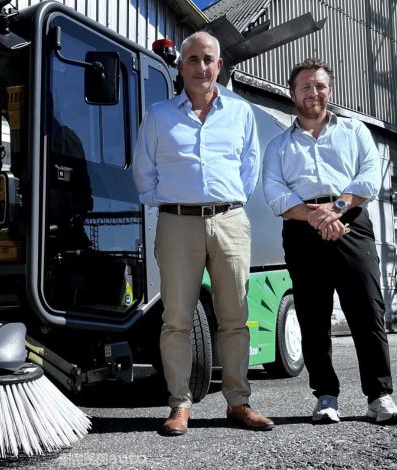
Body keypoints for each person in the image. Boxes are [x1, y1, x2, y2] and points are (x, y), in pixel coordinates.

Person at [133, 31, 273, 435]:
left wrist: (224, 202)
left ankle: (239, 403)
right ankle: (179, 405)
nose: (201, 67)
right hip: (177, 223)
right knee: (176, 317)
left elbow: (250, 169)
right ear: (181, 66)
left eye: (208, 59)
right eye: (193, 59)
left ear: (219, 66)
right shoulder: (159, 115)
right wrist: (172, 200)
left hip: (229, 221)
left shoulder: (240, 112)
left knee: (235, 317)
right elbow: (144, 171)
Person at [262, 58, 397, 425]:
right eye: (306, 86)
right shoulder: (279, 145)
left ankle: (379, 396)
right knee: (312, 316)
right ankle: (326, 396)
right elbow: (274, 192)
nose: (313, 92)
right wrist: (314, 215)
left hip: (351, 224)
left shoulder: (354, 130)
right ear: (292, 93)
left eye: (320, 85)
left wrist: (337, 208)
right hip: (302, 229)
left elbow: (370, 175)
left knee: (367, 311)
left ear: (330, 89)